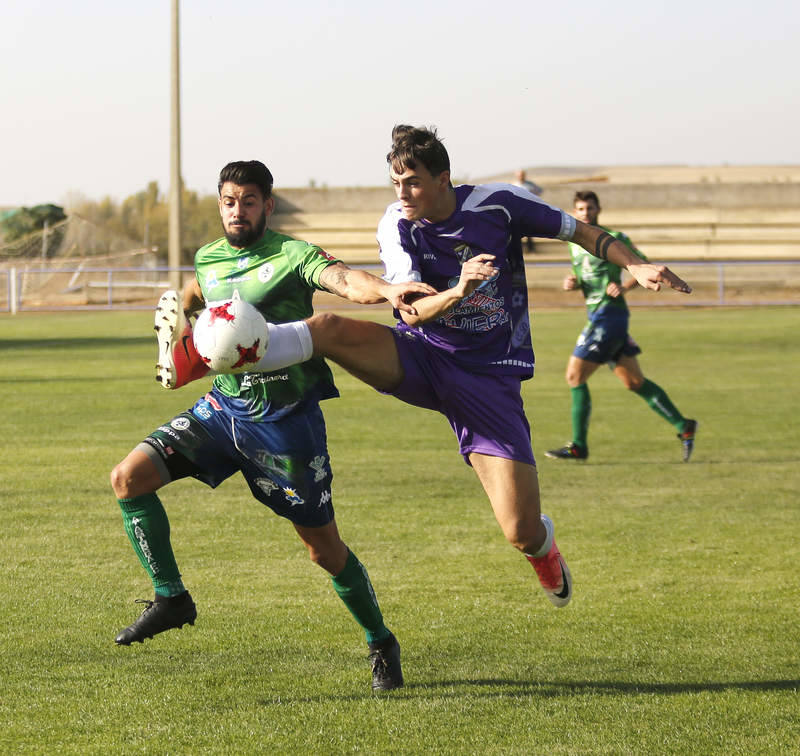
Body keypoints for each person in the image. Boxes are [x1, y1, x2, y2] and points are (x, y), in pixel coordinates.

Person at [160, 127, 693, 619]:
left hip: (488, 379)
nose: (403, 194)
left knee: (519, 530)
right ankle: (212, 358)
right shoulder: (397, 224)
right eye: (396, 184)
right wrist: (458, 291)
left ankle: (543, 548)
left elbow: (581, 232)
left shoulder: (499, 204)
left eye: (412, 183)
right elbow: (411, 310)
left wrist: (634, 263)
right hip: (421, 355)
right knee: (328, 328)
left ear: (443, 179)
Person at [111, 160, 433, 692]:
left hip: (286, 426)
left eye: (249, 201)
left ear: (268, 205)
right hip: (223, 411)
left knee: (324, 551)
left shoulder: (291, 254)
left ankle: (380, 640)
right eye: (229, 202)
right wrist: (180, 346)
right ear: (220, 205)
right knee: (128, 478)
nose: (238, 211)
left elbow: (342, 279)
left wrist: (386, 291)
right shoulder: (209, 258)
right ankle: (171, 597)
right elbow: (193, 298)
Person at [545, 191, 697, 462]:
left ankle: (579, 446)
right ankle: (683, 426)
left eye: (590, 208)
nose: (586, 213)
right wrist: (573, 282)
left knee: (574, 377)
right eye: (581, 209)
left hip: (609, 316)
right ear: (575, 212)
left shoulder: (614, 237)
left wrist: (624, 286)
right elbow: (585, 276)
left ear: (598, 209)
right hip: (599, 316)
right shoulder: (573, 244)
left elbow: (642, 266)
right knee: (634, 382)